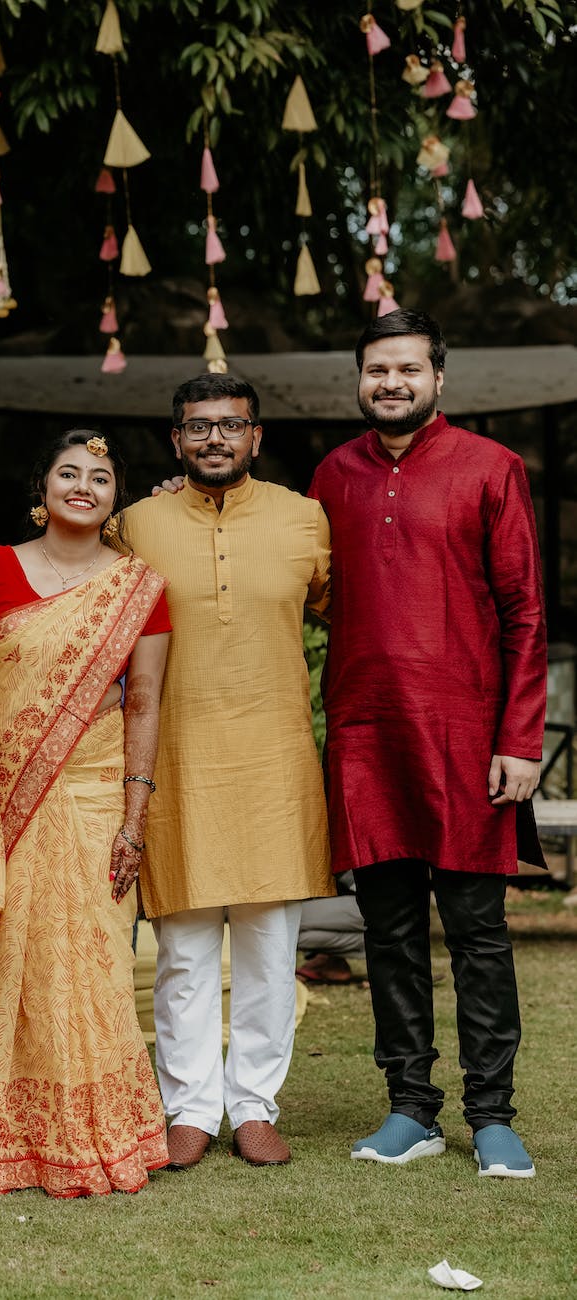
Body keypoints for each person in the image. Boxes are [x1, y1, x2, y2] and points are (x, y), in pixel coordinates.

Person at [309, 308, 546, 1178]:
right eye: (377, 370)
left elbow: (524, 612)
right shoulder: (332, 476)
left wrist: (519, 739)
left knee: (478, 933)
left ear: (437, 378)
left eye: (407, 369)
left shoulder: (491, 467)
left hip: (467, 736)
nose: (391, 383)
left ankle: (492, 1116)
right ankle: (410, 1107)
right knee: (390, 931)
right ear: (359, 380)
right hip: (368, 736)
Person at [123, 374, 333, 1171]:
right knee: (180, 949)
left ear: (256, 436)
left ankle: (253, 1106)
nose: (215, 439)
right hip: (171, 760)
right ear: (174, 441)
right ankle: (189, 1107)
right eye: (198, 427)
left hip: (274, 757)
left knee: (268, 949)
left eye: (231, 425)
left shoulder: (304, 518)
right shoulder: (133, 524)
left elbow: (339, 608)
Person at [0, 430, 171, 1197]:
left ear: (117, 499)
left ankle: (108, 1134)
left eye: (101, 478)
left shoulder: (138, 587)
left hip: (93, 792)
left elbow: (144, 700)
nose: (83, 486)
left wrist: (134, 816)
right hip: (4, 791)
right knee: (14, 965)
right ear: (41, 486)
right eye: (68, 473)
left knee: (96, 962)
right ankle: (12, 1139)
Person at [296, 872, 365, 984]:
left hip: (377, 897)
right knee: (289, 927)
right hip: (357, 899)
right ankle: (331, 960)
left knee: (285, 922)